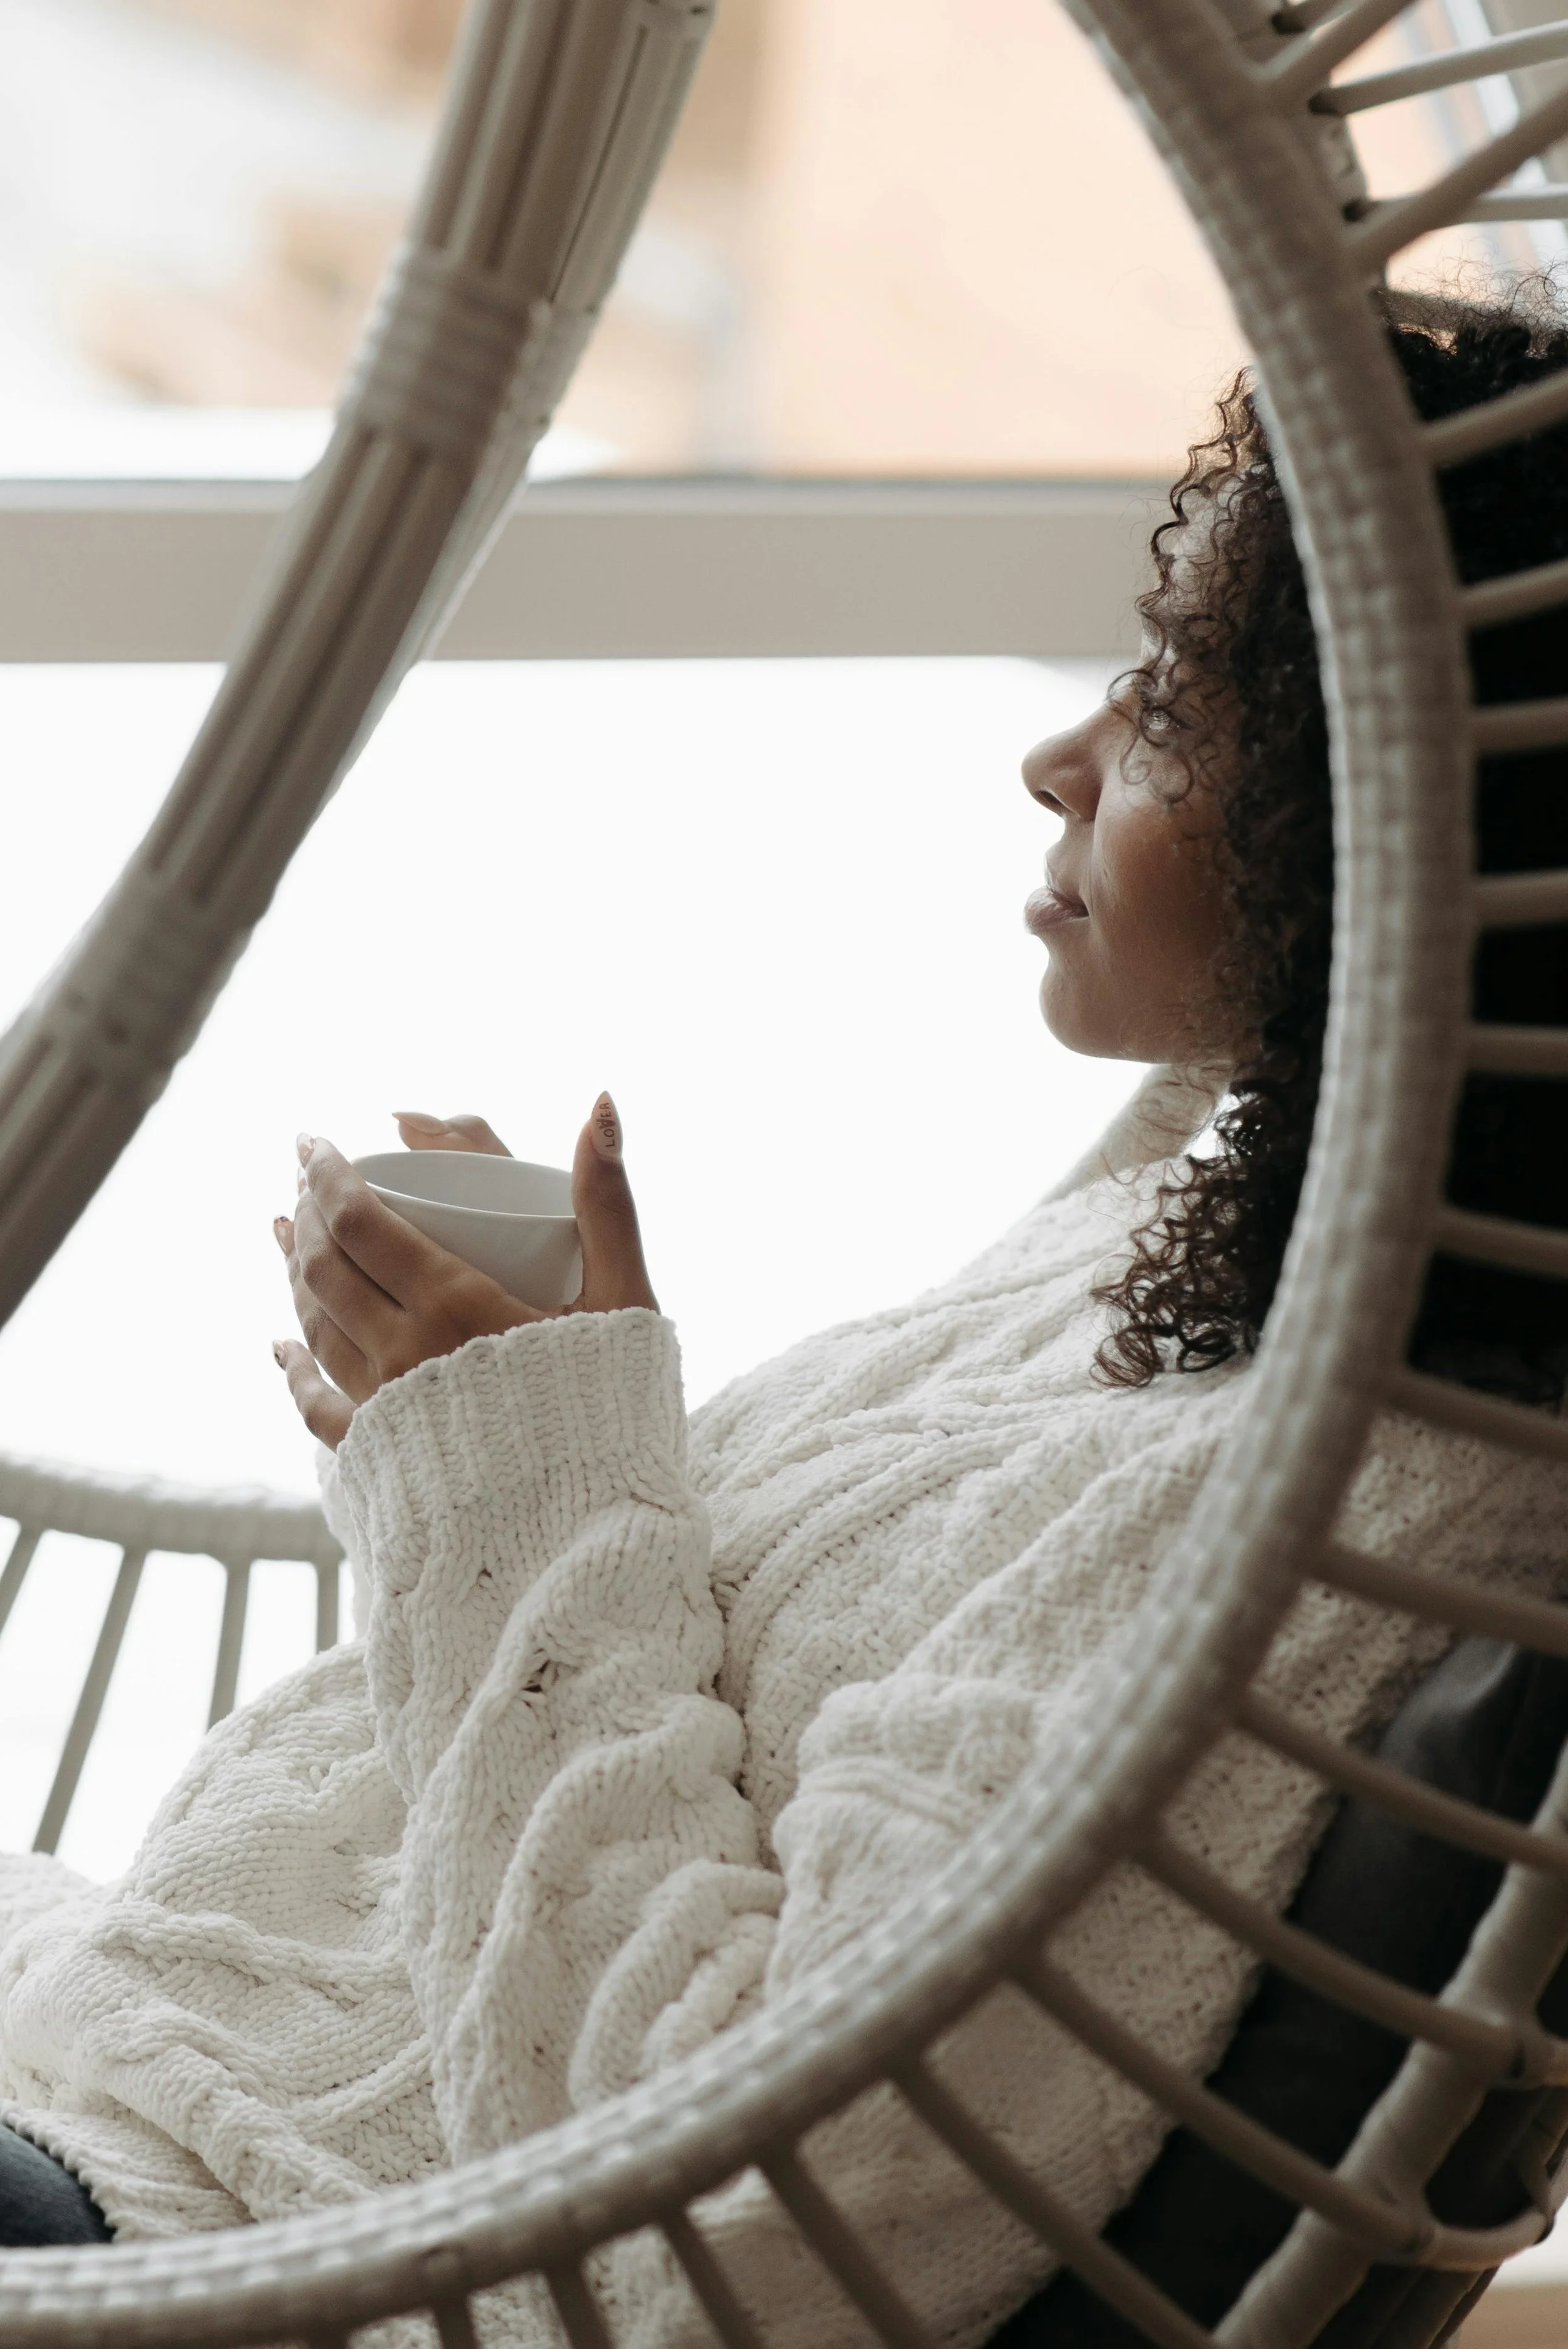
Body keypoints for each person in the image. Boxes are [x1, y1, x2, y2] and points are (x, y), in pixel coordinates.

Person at [0, 289, 1565, 2346]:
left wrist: (516, 1465)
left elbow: (700, 2216)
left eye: (1180, 696)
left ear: (1419, 824)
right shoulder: (1278, 1233)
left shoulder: (1296, 1537)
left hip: (209, 2258)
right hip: (161, 2085)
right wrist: (501, 1398)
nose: (1057, 754)